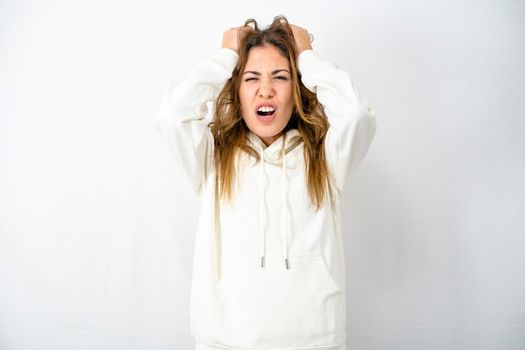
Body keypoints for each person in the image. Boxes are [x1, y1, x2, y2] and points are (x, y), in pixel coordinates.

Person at [155, 15, 377, 350]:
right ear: (236, 89)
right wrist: (225, 57)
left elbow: (357, 115)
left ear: (298, 88)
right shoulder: (214, 159)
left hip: (315, 342)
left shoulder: (325, 158)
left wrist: (307, 57)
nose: (266, 90)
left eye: (281, 77)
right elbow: (173, 115)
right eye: (251, 78)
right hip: (225, 342)